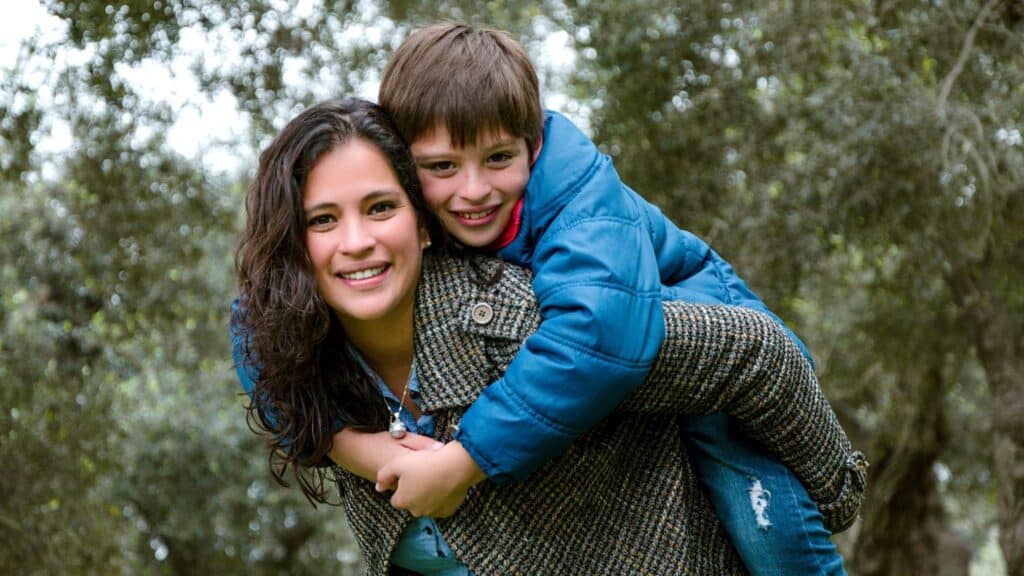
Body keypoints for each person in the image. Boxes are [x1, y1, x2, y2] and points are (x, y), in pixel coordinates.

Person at [233, 98, 867, 575]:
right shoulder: (302, 357)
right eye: (322, 220)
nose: (356, 241)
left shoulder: (521, 324)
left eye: (380, 208)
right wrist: (360, 451)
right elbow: (251, 341)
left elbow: (754, 349)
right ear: (292, 244)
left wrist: (835, 491)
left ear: (423, 224)